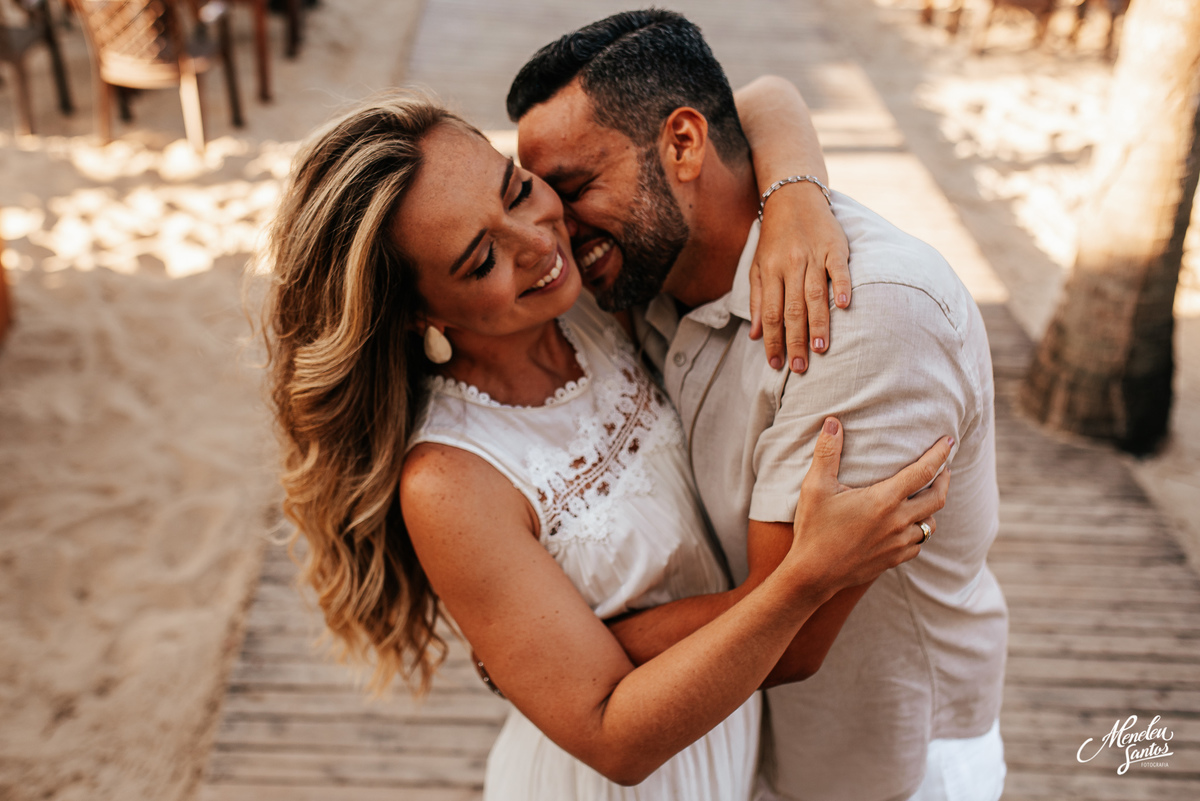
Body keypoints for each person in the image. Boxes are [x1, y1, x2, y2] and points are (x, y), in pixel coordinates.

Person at [261, 94, 953, 800]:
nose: (537, 242)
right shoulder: (449, 480)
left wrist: (797, 198)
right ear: (419, 313)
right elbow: (613, 736)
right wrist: (807, 576)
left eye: (517, 189)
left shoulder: (596, 296)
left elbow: (759, 101)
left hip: (728, 727)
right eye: (481, 261)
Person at [509, 10, 1009, 801]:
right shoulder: (648, 274)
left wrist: (546, 656)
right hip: (724, 746)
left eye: (574, 190)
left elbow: (796, 632)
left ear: (683, 144)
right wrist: (795, 180)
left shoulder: (857, 316)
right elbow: (763, 98)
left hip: (878, 764)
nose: (556, 235)